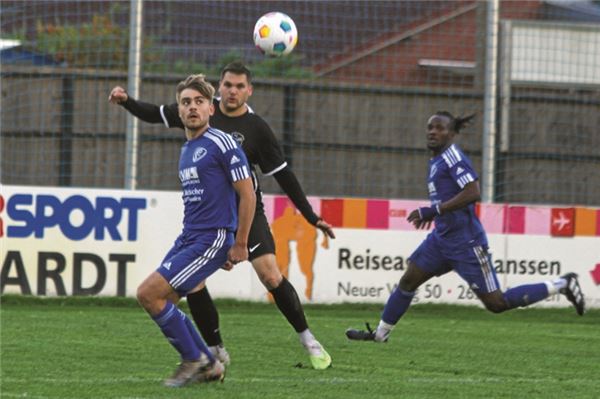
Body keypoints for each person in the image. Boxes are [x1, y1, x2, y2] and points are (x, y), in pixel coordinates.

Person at [109, 61, 335, 369]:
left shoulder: (256, 128)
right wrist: (127, 102)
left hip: (246, 210)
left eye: (240, 86)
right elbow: (155, 114)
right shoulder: (198, 107)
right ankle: (215, 350)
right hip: (211, 215)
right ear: (221, 87)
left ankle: (308, 339)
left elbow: (283, 175)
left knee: (269, 274)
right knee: (193, 282)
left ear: (249, 91)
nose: (233, 91)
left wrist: (309, 215)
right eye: (228, 84)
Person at [346, 111, 585, 343]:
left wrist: (435, 210)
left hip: (466, 242)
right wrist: (436, 215)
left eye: (439, 128)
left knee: (496, 304)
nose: (432, 132)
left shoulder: (453, 157)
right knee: (408, 281)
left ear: (451, 134)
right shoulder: (436, 161)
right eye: (430, 127)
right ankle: (380, 334)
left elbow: (473, 192)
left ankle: (562, 284)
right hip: (441, 239)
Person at [136, 74, 255, 386]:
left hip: (212, 236)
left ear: (211, 109)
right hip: (192, 236)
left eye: (199, 102)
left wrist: (238, 242)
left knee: (148, 293)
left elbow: (247, 193)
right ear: (178, 110)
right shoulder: (187, 148)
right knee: (163, 300)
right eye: (186, 102)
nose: (192, 107)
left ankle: (194, 358)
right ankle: (210, 364)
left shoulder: (222, 142)